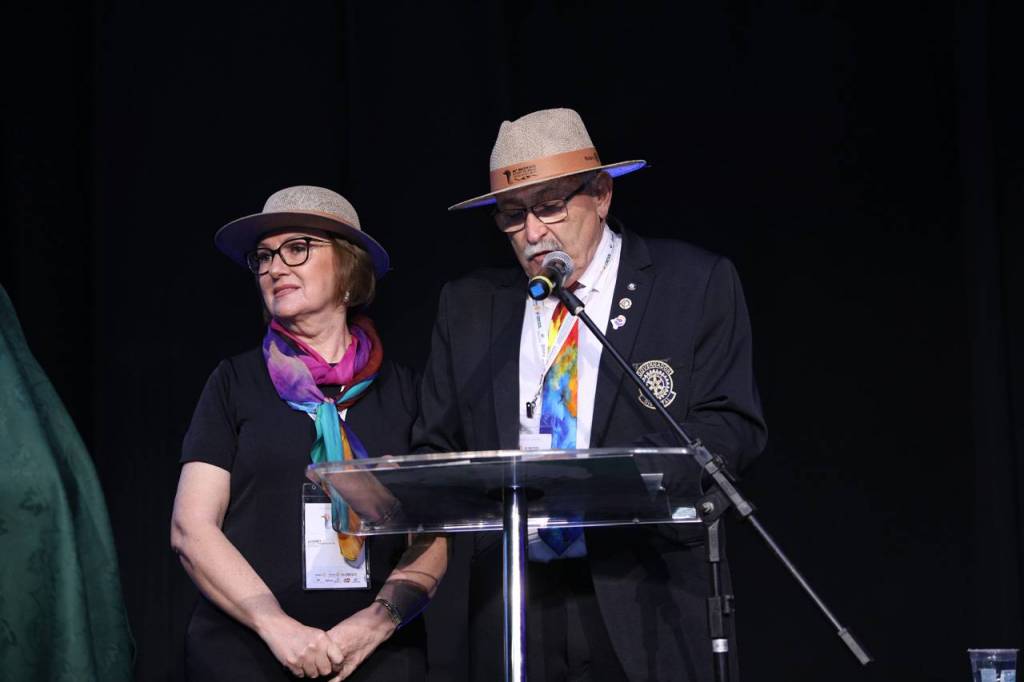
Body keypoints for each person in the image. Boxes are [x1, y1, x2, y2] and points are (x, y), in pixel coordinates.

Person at [412, 109, 767, 681]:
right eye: (512, 215)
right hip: (516, 600)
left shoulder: (691, 282)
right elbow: (435, 446)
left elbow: (731, 426)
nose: (532, 234)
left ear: (601, 194)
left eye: (550, 206)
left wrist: (621, 481)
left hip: (646, 591)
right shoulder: (470, 307)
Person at [171, 186, 446, 681]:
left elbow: (434, 535)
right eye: (264, 257)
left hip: (379, 657)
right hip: (245, 655)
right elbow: (191, 527)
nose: (274, 268)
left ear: (348, 271)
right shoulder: (234, 383)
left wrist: (375, 623)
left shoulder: (407, 391)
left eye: (296, 248)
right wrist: (276, 626)